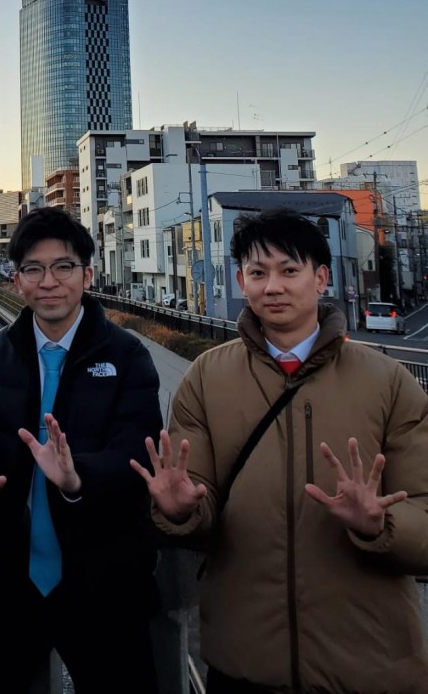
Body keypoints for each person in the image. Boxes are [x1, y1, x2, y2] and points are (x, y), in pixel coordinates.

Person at [133, 207, 428, 694]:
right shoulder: (207, 378)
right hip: (245, 657)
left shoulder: (387, 381)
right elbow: (196, 497)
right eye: (257, 273)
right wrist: (179, 509)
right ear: (240, 282)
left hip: (370, 663)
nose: (273, 286)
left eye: (290, 271)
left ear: (321, 277)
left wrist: (382, 524)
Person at [0, 207, 162, 694]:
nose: (49, 281)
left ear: (87, 275)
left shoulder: (127, 356)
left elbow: (136, 454)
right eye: (34, 269)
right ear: (16, 280)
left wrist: (77, 477)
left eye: (63, 267)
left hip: (104, 577)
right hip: (6, 573)